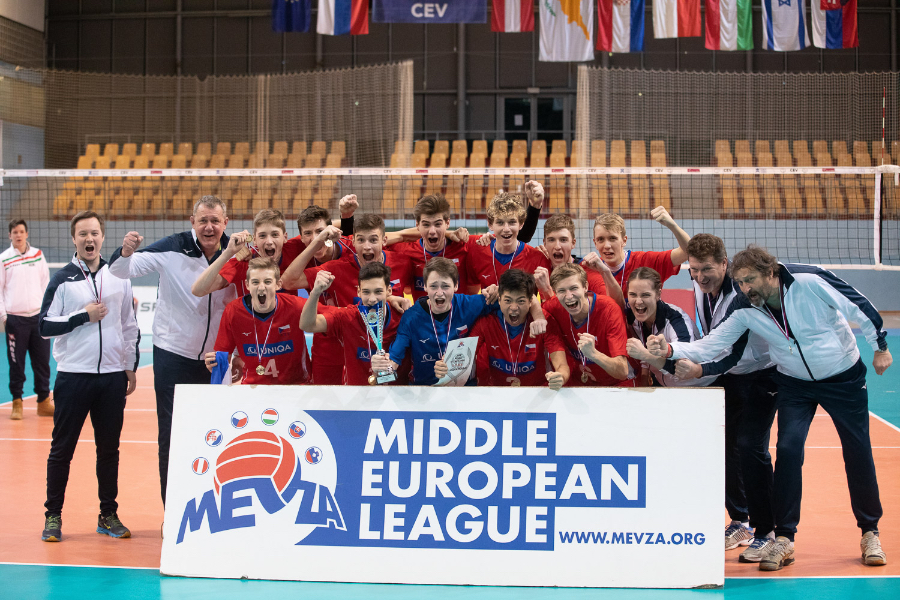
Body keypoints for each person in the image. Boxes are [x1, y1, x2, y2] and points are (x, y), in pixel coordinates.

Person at [646, 245, 892, 571]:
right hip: (794, 382)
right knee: (788, 449)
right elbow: (713, 344)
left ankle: (870, 531)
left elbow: (858, 305)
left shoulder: (809, 280)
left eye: (750, 280)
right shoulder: (744, 306)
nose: (745, 288)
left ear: (771, 273)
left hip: (842, 376)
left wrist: (880, 347)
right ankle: (785, 538)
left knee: (857, 449)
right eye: (740, 282)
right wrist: (671, 349)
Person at [108, 195, 237, 505]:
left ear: (225, 223)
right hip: (173, 355)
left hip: (217, 360)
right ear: (192, 222)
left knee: (218, 434)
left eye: (215, 221)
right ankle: (174, 510)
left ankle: (213, 507)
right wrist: (125, 251)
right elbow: (120, 270)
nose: (209, 227)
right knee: (171, 434)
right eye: (203, 221)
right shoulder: (171, 247)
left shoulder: (237, 252)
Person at [667, 234, 779, 562]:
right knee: (727, 446)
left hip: (762, 373)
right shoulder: (701, 287)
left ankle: (768, 529)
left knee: (751, 447)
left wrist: (695, 368)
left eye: (706, 269)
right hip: (732, 374)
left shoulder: (740, 296)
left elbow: (728, 352)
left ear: (724, 265)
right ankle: (741, 520)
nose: (700, 276)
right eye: (694, 270)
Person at [38, 211, 139, 542]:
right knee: (62, 450)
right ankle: (53, 516)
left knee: (109, 451)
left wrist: (129, 365)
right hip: (73, 378)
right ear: (74, 239)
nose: (89, 239)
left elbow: (129, 324)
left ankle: (108, 514)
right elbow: (44, 326)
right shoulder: (62, 279)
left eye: (94, 233)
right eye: (83, 234)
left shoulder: (119, 276)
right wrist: (82, 316)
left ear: (102, 237)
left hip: (111, 378)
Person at [281, 213, 413, 384]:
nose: (367, 247)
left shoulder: (403, 262)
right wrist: (319, 240)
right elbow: (288, 282)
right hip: (347, 348)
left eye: (373, 240)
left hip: (392, 353)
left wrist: (389, 299)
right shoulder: (337, 270)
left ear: (384, 241)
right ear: (353, 241)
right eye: (361, 240)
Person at [372, 257, 545, 386]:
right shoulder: (410, 318)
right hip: (424, 390)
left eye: (445, 286)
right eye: (433, 286)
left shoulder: (470, 304)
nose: (440, 292)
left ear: (456, 286)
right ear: (424, 286)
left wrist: (539, 318)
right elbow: (393, 363)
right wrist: (380, 371)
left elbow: (522, 297)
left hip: (464, 391)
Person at [392, 187, 544, 298]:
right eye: (426, 225)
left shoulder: (467, 243)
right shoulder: (404, 250)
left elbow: (513, 239)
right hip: (424, 323)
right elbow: (380, 238)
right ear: (417, 225)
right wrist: (401, 235)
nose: (432, 231)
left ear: (447, 223)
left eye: (438, 224)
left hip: (461, 322)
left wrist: (535, 207)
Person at [204, 257, 310, 384]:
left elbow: (330, 316)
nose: (261, 287)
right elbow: (223, 356)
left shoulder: (296, 306)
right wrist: (215, 363)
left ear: (278, 284)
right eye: (255, 282)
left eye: (267, 282)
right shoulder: (233, 311)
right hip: (253, 386)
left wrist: (316, 293)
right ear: (247, 285)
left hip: (296, 385)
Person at [299, 262, 403, 385]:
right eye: (366, 292)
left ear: (389, 290)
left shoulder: (402, 317)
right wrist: (315, 292)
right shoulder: (348, 317)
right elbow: (307, 325)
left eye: (378, 292)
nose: (372, 299)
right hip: (355, 393)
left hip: (398, 392)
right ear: (358, 291)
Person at [471, 269, 569, 389]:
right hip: (498, 392)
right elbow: (466, 356)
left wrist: (560, 377)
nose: (513, 307)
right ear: (499, 300)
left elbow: (562, 365)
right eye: (508, 300)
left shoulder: (544, 322)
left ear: (530, 301)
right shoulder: (486, 322)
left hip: (537, 392)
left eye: (521, 301)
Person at [623, 267, 715, 387]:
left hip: (701, 387)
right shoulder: (632, 318)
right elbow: (644, 355)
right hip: (667, 387)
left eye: (645, 295)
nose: (638, 301)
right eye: (633, 295)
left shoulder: (676, 320)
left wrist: (645, 354)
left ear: (658, 294)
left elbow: (682, 368)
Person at [542, 263, 628, 386]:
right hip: (579, 384)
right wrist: (538, 316)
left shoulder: (609, 310)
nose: (569, 296)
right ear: (555, 292)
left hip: (614, 385)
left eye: (574, 288)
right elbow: (530, 305)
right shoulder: (554, 307)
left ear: (585, 287)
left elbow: (623, 371)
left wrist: (593, 354)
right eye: (561, 291)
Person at [1, 219, 53, 419]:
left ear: (27, 234)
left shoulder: (38, 255)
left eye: (21, 231)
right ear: (10, 235)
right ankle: (17, 402)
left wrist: (46, 311)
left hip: (38, 319)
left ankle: (43, 402)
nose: (18, 235)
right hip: (16, 320)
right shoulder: (4, 259)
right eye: (15, 232)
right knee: (16, 364)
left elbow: (46, 284)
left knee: (43, 362)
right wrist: (4, 317)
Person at [592, 207, 690, 299]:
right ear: (595, 243)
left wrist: (672, 225)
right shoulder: (589, 270)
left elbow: (687, 252)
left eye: (612, 238)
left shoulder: (646, 262)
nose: (607, 246)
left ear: (624, 241)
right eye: (600, 239)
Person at [531, 213, 625, 309]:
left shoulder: (587, 272)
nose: (557, 246)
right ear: (544, 243)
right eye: (551, 240)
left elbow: (615, 307)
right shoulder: (539, 268)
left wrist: (547, 292)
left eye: (563, 240)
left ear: (573, 243)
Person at [464, 192, 548, 290]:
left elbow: (548, 298)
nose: (506, 229)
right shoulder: (477, 251)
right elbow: (472, 292)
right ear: (490, 224)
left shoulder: (537, 258)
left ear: (521, 224)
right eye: (500, 222)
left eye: (512, 222)